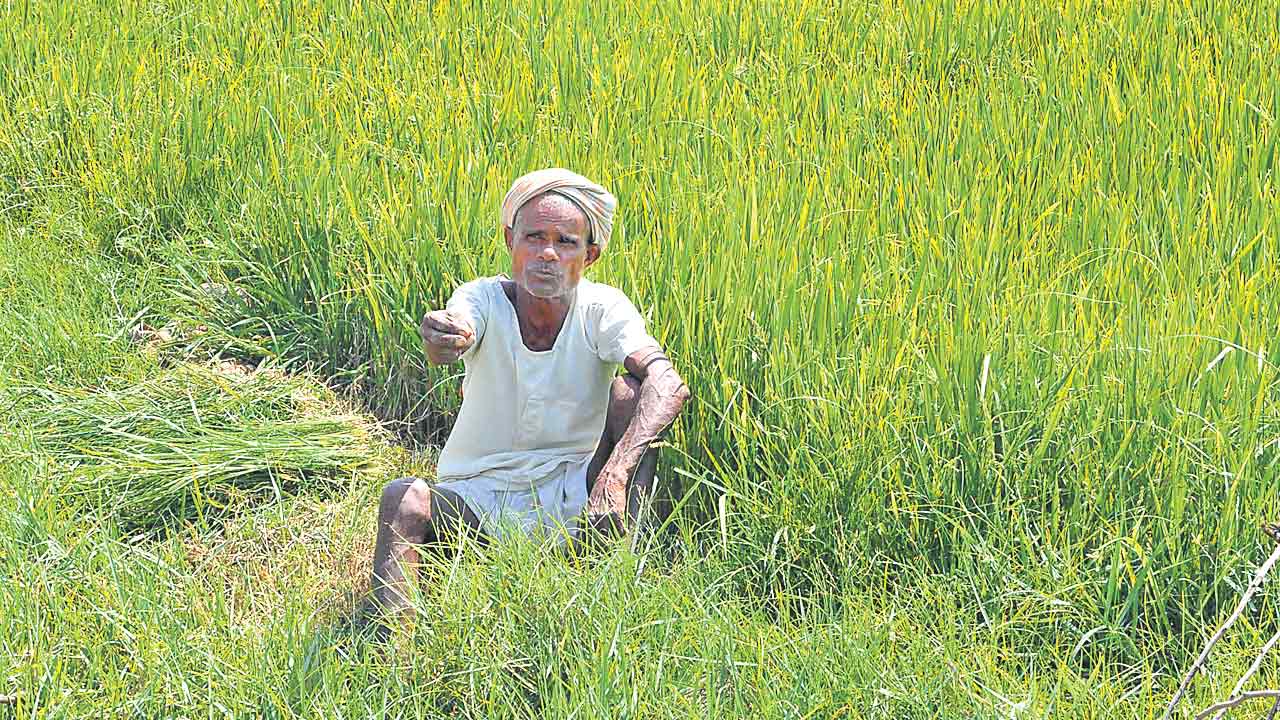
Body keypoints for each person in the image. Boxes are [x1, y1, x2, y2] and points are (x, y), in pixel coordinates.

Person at [367, 168, 691, 617]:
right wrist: (443, 338)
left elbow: (668, 383)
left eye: (566, 242)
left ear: (590, 256)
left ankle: (619, 574)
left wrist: (614, 476)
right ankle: (391, 653)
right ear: (510, 242)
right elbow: (456, 330)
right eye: (534, 237)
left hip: (574, 488)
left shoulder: (601, 308)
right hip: (478, 495)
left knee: (632, 394)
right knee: (401, 498)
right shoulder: (482, 299)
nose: (547, 255)